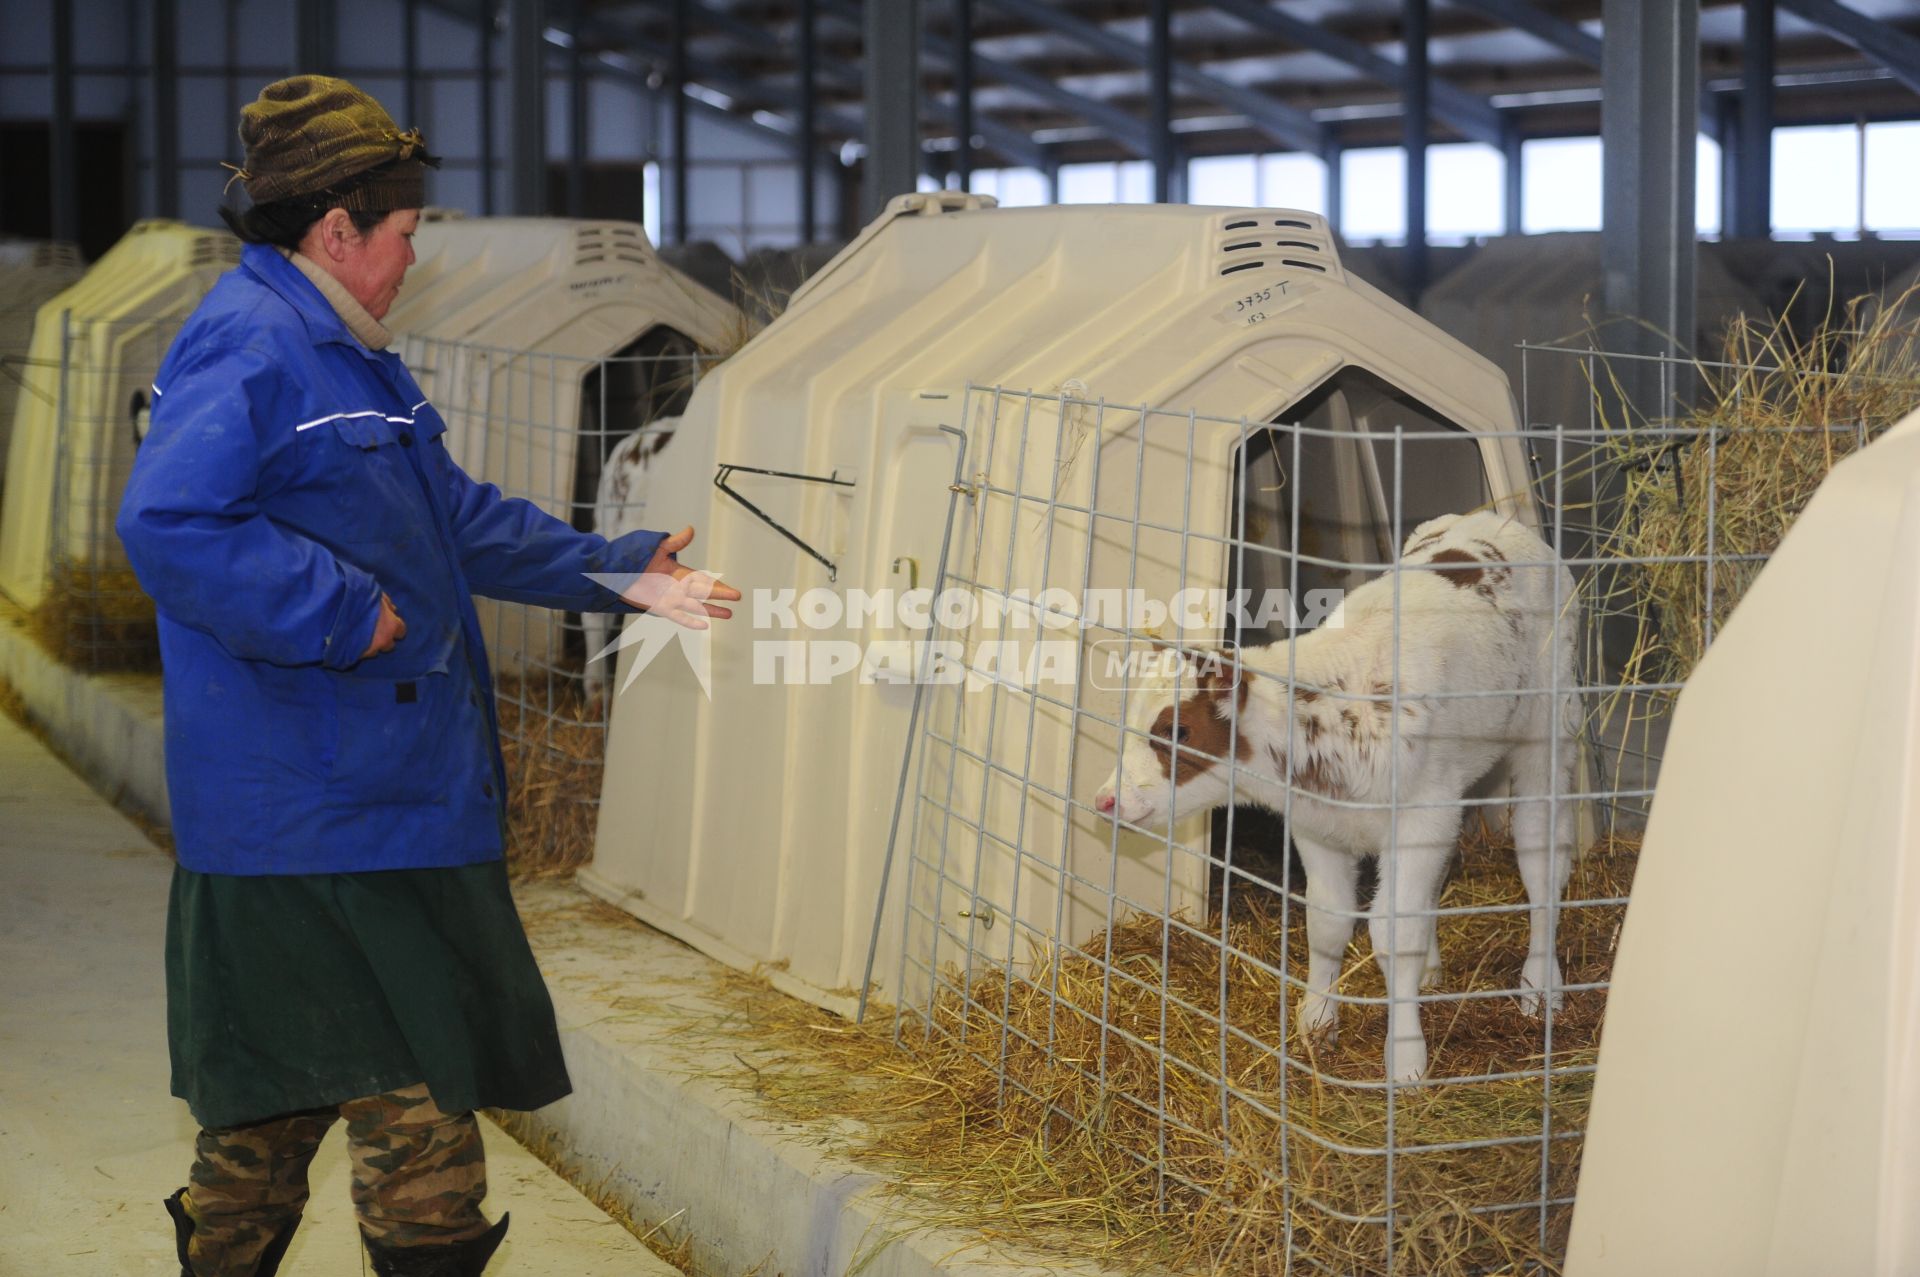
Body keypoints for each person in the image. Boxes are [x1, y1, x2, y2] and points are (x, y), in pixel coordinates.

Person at [115, 75, 739, 1277]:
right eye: (404, 235)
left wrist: (613, 571)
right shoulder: (258, 349)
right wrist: (342, 610)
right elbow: (172, 522)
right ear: (339, 231)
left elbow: (448, 518)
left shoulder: (348, 360)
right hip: (311, 809)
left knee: (271, 1109)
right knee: (408, 1108)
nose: (413, 260)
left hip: (371, 795)